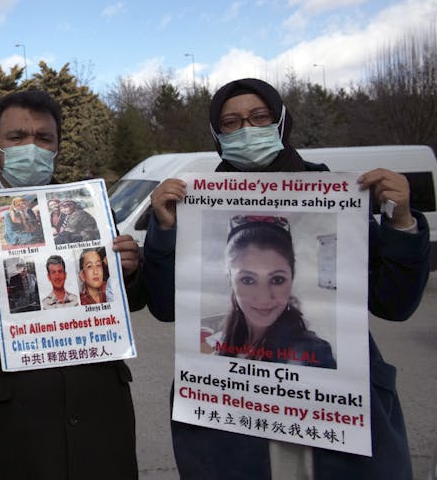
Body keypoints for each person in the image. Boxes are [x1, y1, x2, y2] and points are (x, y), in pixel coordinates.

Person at [143, 77, 429, 480]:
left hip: (340, 424)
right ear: (216, 134)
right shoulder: (192, 203)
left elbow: (395, 304)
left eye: (260, 117)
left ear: (281, 122)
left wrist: (401, 223)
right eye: (231, 122)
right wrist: (166, 231)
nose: (247, 129)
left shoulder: (336, 195)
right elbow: (165, 306)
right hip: (227, 421)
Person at [0, 90, 148, 479]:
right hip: (12, 424)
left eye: (43, 138)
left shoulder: (92, 212)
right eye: (17, 137)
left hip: (99, 413)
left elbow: (131, 302)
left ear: (57, 149)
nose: (32, 147)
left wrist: (130, 269)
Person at [210, 214, 336, 369]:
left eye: (277, 280)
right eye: (248, 280)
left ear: (292, 277)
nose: (264, 299)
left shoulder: (314, 352)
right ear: (230, 280)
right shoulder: (223, 340)